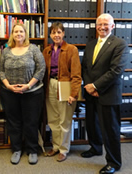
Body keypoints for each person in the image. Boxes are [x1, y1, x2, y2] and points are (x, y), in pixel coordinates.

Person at [81, 13, 128, 174]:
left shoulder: (119, 44)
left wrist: (95, 86)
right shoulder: (91, 44)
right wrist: (89, 86)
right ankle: (95, 148)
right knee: (92, 125)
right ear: (96, 26)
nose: (102, 27)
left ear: (112, 26)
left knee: (110, 130)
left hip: (108, 94)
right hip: (90, 93)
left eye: (106, 24)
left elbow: (116, 71)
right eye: (99, 24)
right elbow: (85, 68)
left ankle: (114, 163)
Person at [0, 23, 45, 165]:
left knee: (31, 122)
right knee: (14, 122)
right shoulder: (6, 51)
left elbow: (41, 69)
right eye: (15, 31)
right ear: (12, 34)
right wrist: (8, 86)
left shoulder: (33, 49)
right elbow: (0, 71)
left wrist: (28, 85)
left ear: (25, 34)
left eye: (21, 31)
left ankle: (32, 150)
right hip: (10, 93)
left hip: (32, 93)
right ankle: (16, 149)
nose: (18, 34)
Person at [42, 22, 82, 162]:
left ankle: (64, 149)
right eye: (53, 32)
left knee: (64, 120)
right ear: (50, 34)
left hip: (66, 85)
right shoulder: (46, 50)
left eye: (59, 32)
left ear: (63, 33)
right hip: (50, 85)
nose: (56, 35)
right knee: (53, 119)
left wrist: (74, 93)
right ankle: (56, 146)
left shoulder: (72, 49)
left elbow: (77, 74)